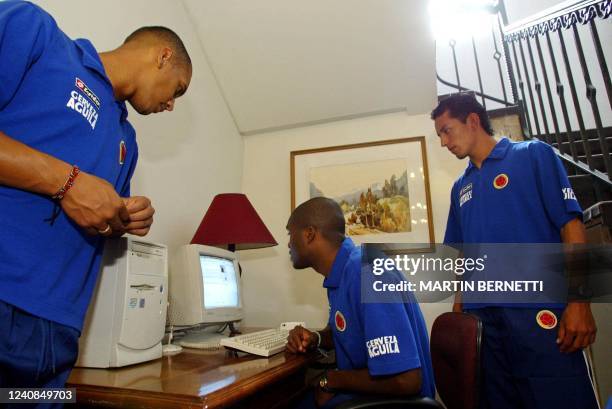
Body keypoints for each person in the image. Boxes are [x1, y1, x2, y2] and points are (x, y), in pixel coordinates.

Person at [0, 0, 191, 394]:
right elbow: (75, 191)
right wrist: (67, 182)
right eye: (177, 89)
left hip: (58, 334)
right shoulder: (36, 33)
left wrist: (125, 220)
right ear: (163, 55)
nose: (171, 104)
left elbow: (98, 218)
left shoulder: (127, 142)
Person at [432, 93, 598, 409]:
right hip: (484, 326)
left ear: (472, 120)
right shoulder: (460, 188)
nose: (443, 142)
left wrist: (579, 302)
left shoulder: (533, 155)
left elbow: (571, 227)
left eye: (446, 130)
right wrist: (458, 319)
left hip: (539, 316)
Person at [285, 197, 435, 409]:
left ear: (309, 234)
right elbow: (342, 329)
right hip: (369, 393)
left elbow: (406, 380)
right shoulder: (342, 271)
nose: (289, 243)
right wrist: (316, 338)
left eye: (290, 234)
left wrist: (332, 380)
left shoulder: (367, 274)